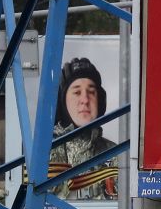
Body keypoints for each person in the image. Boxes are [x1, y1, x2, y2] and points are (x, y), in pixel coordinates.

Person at [48, 56, 119, 200]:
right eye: (77, 92)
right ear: (61, 102)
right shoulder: (42, 155)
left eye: (91, 92)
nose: (85, 100)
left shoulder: (117, 155)